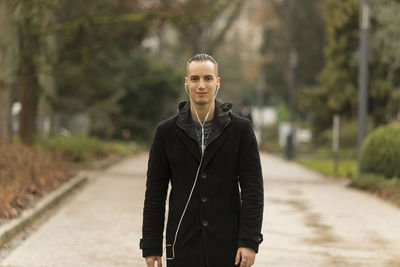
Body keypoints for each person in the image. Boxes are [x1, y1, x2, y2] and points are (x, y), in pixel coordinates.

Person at [140, 54, 264, 267]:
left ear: (217, 82)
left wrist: (249, 241)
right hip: (182, 243)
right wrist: (151, 246)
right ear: (186, 83)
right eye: (195, 78)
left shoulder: (240, 130)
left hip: (229, 246)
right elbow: (155, 193)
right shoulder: (166, 132)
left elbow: (253, 190)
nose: (201, 85)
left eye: (207, 78)